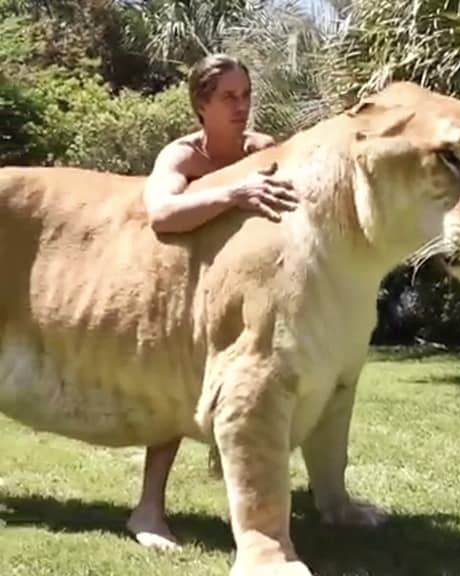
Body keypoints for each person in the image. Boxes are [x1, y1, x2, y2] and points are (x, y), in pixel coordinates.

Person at [128, 53, 298, 549]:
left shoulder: (264, 149)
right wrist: (234, 193)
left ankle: (305, 500)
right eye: (228, 97)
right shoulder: (182, 156)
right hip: (181, 293)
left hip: (249, 298)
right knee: (174, 395)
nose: (241, 106)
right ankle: (148, 510)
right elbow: (161, 214)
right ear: (202, 104)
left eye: (246, 95)